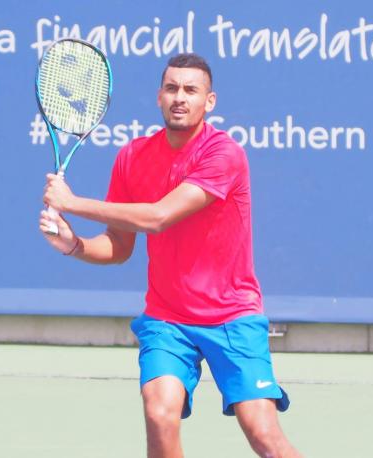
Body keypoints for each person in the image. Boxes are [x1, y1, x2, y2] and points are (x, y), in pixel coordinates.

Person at [40, 53, 301, 458]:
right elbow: (119, 246)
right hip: (167, 320)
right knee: (160, 415)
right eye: (171, 88)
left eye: (190, 90)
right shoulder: (132, 157)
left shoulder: (224, 154)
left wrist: (73, 203)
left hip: (233, 317)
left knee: (264, 436)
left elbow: (159, 216)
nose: (180, 98)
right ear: (159, 97)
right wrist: (75, 244)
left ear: (208, 101)